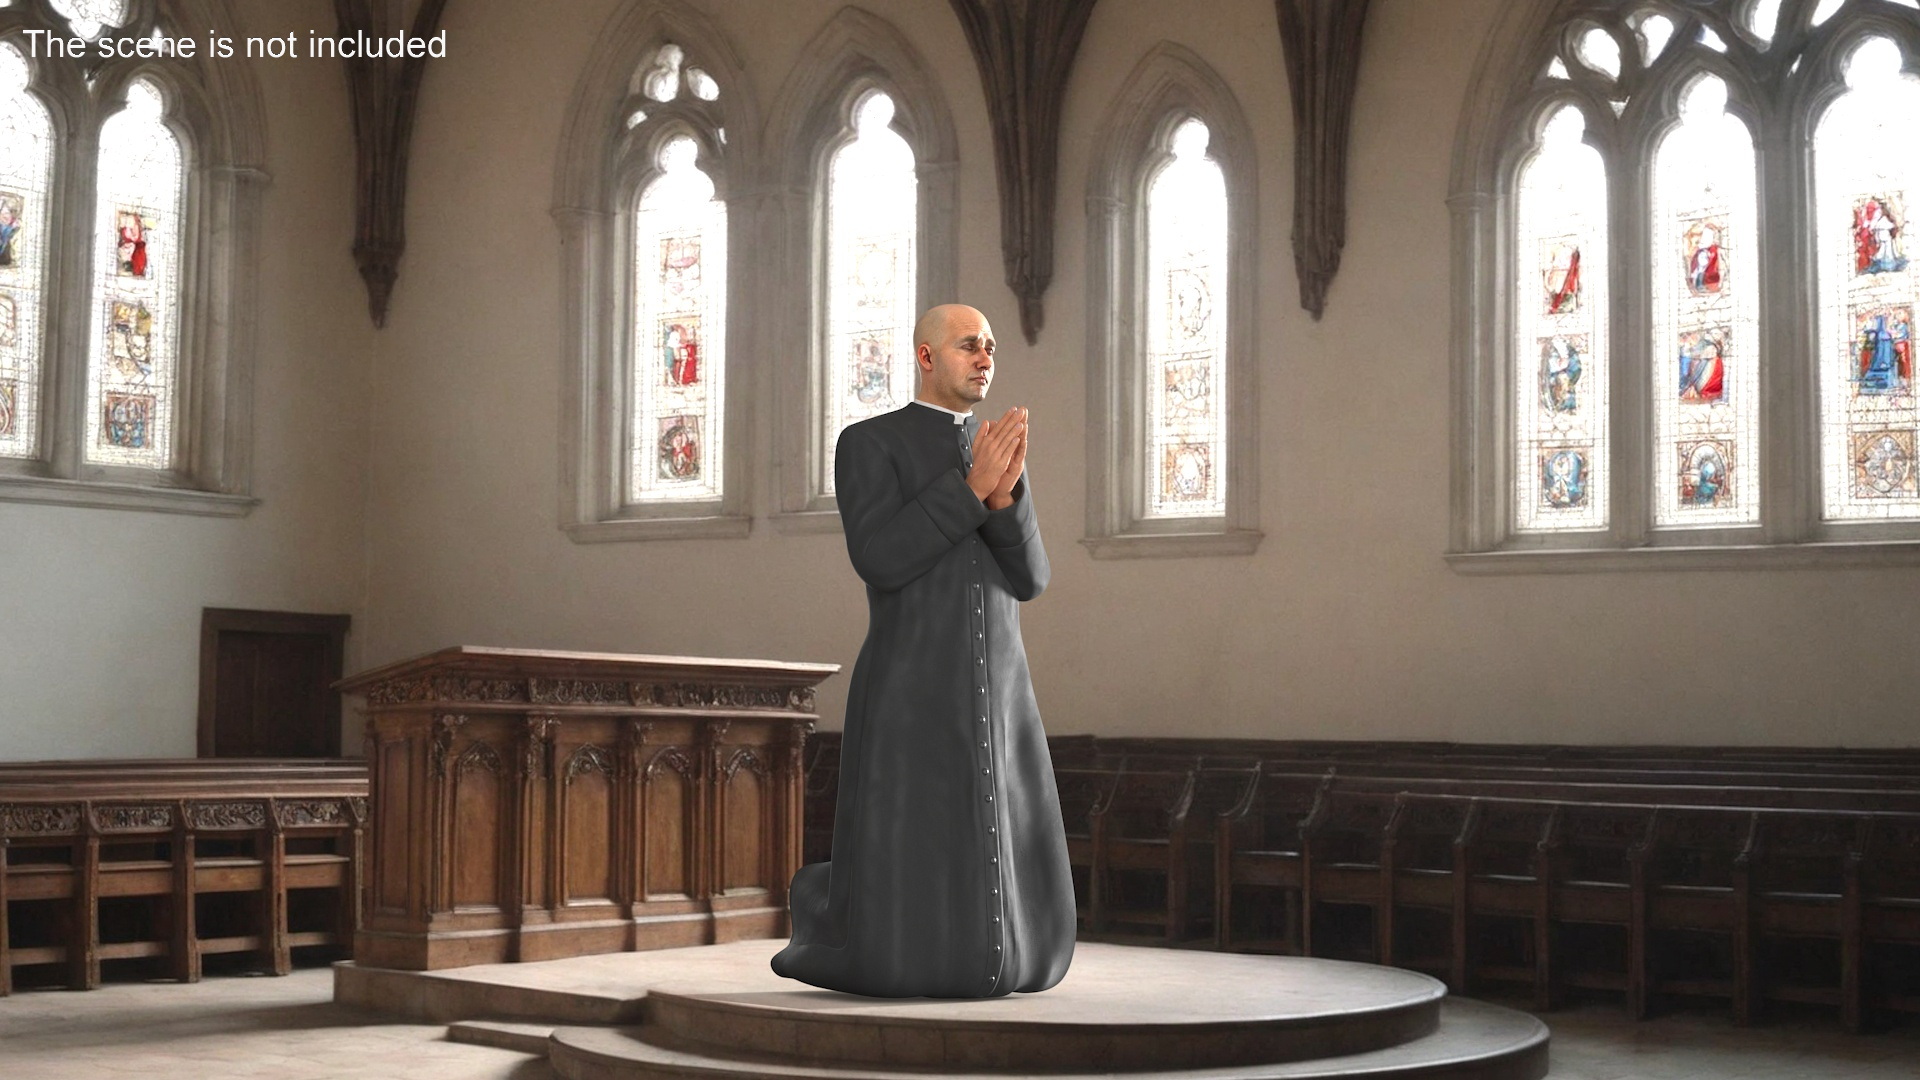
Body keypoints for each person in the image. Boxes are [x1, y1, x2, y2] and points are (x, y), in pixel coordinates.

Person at [770, 303, 1074, 998]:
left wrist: (1004, 497)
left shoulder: (993, 446)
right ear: (928, 357)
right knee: (919, 834)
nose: (985, 357)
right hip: (912, 677)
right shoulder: (868, 443)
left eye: (991, 346)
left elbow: (1031, 579)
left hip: (999, 681)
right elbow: (881, 558)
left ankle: (1006, 957)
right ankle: (916, 959)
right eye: (970, 345)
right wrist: (969, 489)